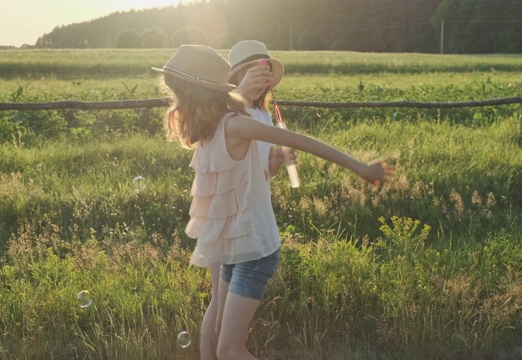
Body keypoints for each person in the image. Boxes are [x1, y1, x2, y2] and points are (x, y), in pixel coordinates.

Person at [153, 45, 395, 360]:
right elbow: (236, 177)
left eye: (179, 95)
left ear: (199, 95)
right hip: (233, 243)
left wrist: (361, 167)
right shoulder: (209, 130)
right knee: (219, 339)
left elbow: (301, 140)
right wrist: (271, 165)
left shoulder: (237, 123)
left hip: (254, 248)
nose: (175, 104)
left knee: (229, 350)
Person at [228, 39, 294, 185]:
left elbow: (267, 171)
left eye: (264, 74)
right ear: (235, 77)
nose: (258, 81)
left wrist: (276, 160)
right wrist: (240, 93)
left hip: (259, 202)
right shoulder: (227, 114)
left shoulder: (264, 116)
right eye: (251, 74)